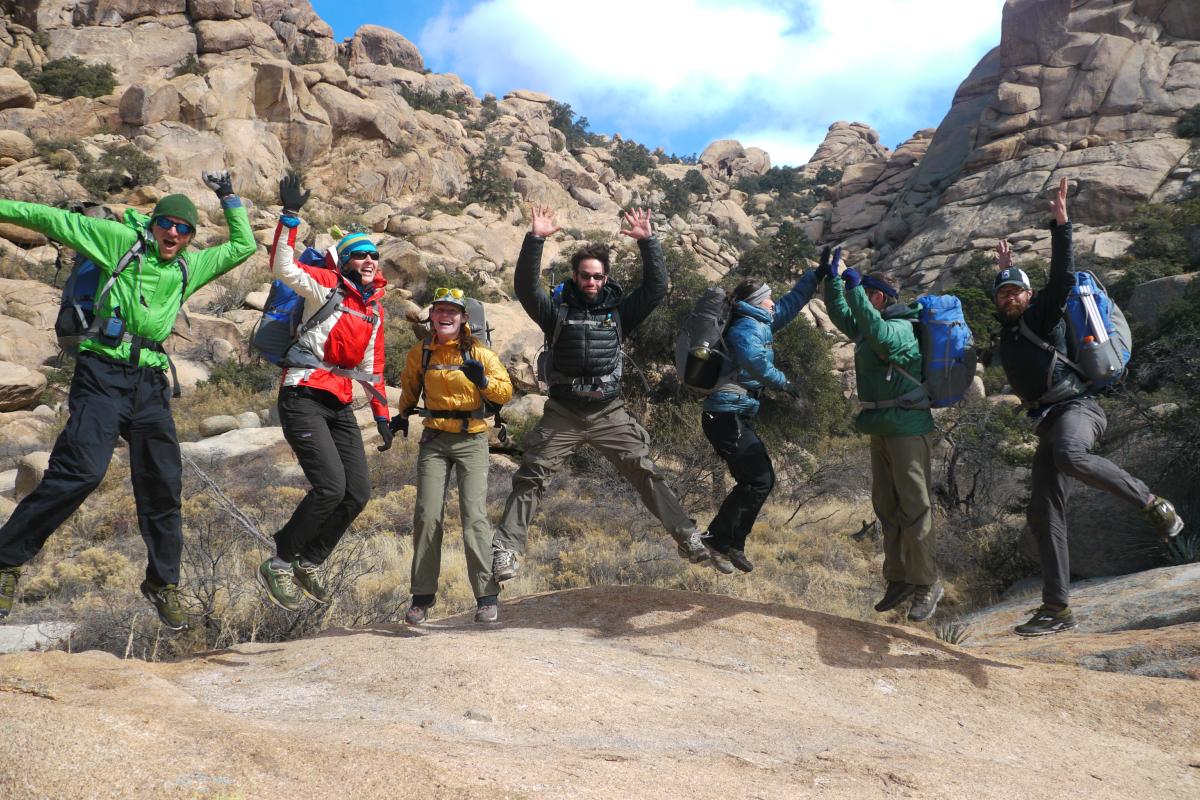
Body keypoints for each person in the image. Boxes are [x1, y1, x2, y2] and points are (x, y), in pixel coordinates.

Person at [0, 171, 257, 628]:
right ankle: (6, 560)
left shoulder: (186, 266)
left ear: (190, 236)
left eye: (183, 228)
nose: (173, 233)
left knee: (163, 483)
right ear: (154, 224)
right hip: (101, 371)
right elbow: (46, 217)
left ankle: (163, 582)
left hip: (150, 382)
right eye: (167, 225)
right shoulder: (117, 239)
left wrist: (229, 197)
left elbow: (243, 248)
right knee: (80, 471)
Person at [993, 176, 1184, 636]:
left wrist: (1062, 224)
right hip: (1048, 421)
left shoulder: (1043, 312)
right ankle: (1057, 610)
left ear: (1030, 296)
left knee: (1070, 455)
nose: (1010, 298)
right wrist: (1007, 267)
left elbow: (1060, 277)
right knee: (1043, 512)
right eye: (1002, 293)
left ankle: (1152, 503)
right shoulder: (1008, 333)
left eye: (1016, 291)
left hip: (1078, 409)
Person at [490, 205, 712, 581]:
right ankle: (506, 551)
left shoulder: (620, 313)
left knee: (645, 471)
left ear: (606, 277)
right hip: (564, 412)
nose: (591, 282)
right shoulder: (554, 312)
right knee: (532, 477)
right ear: (575, 277)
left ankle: (688, 536)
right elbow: (526, 288)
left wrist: (649, 243)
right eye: (585, 276)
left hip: (609, 411)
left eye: (597, 277)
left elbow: (656, 289)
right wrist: (536, 239)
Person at [255, 175, 392, 612]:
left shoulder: (372, 310)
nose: (369, 260)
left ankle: (309, 561)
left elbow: (373, 370)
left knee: (358, 493)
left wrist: (384, 417)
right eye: (360, 254)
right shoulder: (325, 287)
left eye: (373, 255)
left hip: (338, 402)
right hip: (303, 395)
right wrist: (290, 218)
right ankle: (279, 562)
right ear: (346, 260)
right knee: (330, 488)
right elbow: (282, 267)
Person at [823, 247, 942, 622]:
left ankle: (925, 584)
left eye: (864, 296)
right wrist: (832, 280)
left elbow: (880, 335)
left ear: (877, 298)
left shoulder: (902, 328)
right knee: (887, 508)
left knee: (915, 507)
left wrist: (853, 287)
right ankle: (898, 578)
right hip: (881, 429)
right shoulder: (869, 325)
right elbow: (842, 314)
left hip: (908, 429)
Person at [392, 288, 513, 625]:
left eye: (452, 311)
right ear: (431, 316)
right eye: (439, 310)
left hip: (472, 438)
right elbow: (410, 387)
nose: (445, 315)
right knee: (427, 515)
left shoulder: (480, 353)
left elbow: (504, 392)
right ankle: (421, 597)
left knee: (473, 516)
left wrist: (483, 380)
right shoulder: (422, 353)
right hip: (434, 439)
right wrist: (399, 418)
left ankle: (487, 597)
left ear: (463, 318)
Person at [699, 271, 818, 573]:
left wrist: (815, 276)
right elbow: (757, 363)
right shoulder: (745, 329)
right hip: (724, 415)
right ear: (756, 302)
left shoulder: (758, 323)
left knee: (761, 480)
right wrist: (785, 383)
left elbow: (790, 305)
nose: (773, 302)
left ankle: (732, 544)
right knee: (758, 479)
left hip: (734, 414)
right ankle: (716, 541)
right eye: (768, 298)